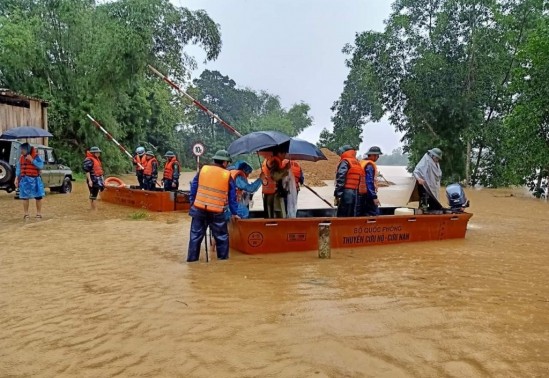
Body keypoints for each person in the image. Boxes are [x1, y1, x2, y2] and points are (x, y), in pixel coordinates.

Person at [187, 150, 240, 262]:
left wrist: (193, 203)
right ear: (224, 162)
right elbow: (232, 197)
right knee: (221, 238)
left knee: (195, 237)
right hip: (217, 212)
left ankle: (192, 261)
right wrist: (235, 213)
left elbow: (193, 187)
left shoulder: (203, 170)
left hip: (199, 209)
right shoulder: (226, 175)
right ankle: (223, 262)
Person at [15, 143, 45, 219]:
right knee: (24, 197)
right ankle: (26, 214)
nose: (21, 151)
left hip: (35, 179)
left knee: (38, 196)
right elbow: (19, 168)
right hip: (24, 179)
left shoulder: (36, 156)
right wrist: (16, 178)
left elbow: (41, 166)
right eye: (21, 149)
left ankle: (38, 213)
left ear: (27, 150)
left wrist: (32, 160)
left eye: (23, 149)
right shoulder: (21, 158)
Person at [334, 145, 366, 217]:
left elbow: (341, 177)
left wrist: (338, 194)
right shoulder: (357, 162)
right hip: (355, 193)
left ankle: (341, 228)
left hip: (346, 193)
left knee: (343, 214)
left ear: (344, 152)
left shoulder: (345, 161)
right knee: (351, 213)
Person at [413, 147, 443, 211]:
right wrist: (419, 179)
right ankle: (422, 215)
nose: (437, 159)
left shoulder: (436, 163)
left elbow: (438, 175)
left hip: (433, 187)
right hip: (424, 186)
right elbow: (416, 171)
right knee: (424, 204)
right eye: (436, 157)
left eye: (438, 158)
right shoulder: (426, 160)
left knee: (434, 205)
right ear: (432, 155)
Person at [261, 150, 290, 218]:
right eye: (284, 154)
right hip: (274, 194)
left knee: (268, 215)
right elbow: (275, 176)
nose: (285, 156)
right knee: (277, 216)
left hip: (267, 192)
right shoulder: (275, 161)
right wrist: (286, 169)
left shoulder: (268, 160)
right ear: (279, 153)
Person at [359, 146, 383, 216]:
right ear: (371, 155)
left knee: (363, 213)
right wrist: (374, 197)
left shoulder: (362, 163)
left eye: (378, 156)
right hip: (368, 195)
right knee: (374, 213)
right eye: (376, 155)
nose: (377, 157)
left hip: (361, 194)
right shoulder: (369, 166)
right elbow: (369, 182)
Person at [82, 146, 105, 210]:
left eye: (99, 152)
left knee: (94, 194)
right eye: (97, 152)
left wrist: (102, 179)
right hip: (93, 179)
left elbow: (100, 171)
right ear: (93, 153)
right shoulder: (89, 160)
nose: (99, 154)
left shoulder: (96, 159)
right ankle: (94, 209)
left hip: (98, 179)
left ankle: (93, 209)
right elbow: (87, 171)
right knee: (93, 194)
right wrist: (90, 180)